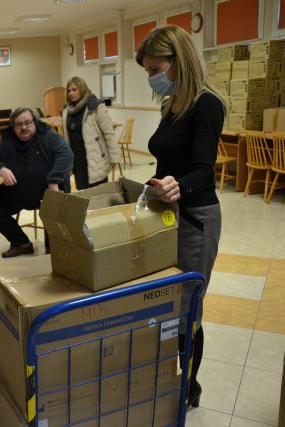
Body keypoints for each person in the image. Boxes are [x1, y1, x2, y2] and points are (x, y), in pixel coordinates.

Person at [136, 25, 227, 409]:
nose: (151, 77)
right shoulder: (171, 104)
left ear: (178, 61)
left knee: (188, 307)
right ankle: (163, 373)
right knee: (163, 301)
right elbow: (167, 158)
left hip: (195, 218)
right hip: (168, 214)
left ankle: (188, 384)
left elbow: (204, 170)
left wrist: (179, 187)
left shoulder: (206, 104)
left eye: (155, 68)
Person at [0, 106, 73, 257]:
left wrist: (53, 179)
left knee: (54, 202)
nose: (24, 127)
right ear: (13, 126)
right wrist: (0, 169)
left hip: (47, 191)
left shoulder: (47, 135)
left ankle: (54, 248)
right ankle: (21, 243)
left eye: (28, 123)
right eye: (19, 124)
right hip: (16, 193)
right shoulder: (8, 140)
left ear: (35, 122)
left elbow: (66, 155)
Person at [62, 76, 121, 190]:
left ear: (82, 89)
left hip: (96, 158)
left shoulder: (96, 106)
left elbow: (109, 134)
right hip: (78, 160)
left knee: (98, 195)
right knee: (83, 193)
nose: (71, 93)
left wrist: (114, 158)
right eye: (69, 91)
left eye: (74, 89)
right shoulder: (67, 110)